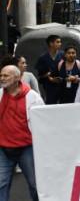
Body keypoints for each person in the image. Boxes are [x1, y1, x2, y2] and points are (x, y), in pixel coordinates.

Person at [0, 65, 44, 201]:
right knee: (1, 184)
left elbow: (42, 121)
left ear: (17, 77)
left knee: (35, 185)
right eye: (1, 75)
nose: (2, 78)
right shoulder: (0, 94)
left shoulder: (33, 97)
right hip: (3, 149)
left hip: (27, 148)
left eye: (5, 76)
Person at [35, 34, 63, 105]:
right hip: (49, 89)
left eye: (60, 42)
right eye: (58, 42)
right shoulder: (43, 58)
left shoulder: (63, 55)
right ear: (51, 43)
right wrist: (49, 77)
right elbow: (40, 75)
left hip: (63, 86)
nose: (60, 44)